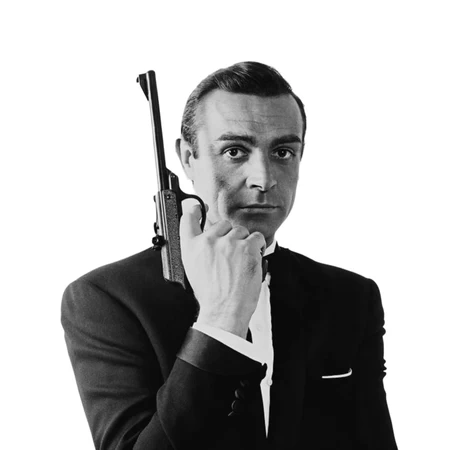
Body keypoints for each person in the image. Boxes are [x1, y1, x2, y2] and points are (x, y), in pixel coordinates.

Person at [61, 61, 398, 449]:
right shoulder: (104, 299)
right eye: (235, 151)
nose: (264, 178)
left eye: (283, 152)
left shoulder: (351, 298)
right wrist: (220, 322)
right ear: (188, 158)